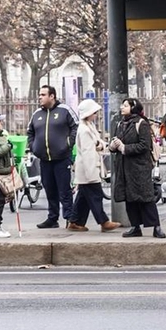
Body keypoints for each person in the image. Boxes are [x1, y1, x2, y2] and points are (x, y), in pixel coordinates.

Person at [109, 98, 165, 239]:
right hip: (124, 167)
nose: (122, 107)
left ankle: (156, 226)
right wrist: (113, 146)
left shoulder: (141, 123)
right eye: (122, 105)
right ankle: (135, 226)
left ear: (133, 107)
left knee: (146, 197)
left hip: (139, 167)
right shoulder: (121, 124)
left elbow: (144, 145)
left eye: (126, 105)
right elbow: (116, 142)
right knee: (129, 198)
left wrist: (125, 148)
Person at [27, 84, 78, 229]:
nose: (40, 97)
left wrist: (68, 144)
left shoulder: (65, 111)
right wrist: (34, 147)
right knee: (49, 189)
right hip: (44, 159)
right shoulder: (36, 114)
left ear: (52, 96)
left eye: (43, 95)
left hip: (62, 158)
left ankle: (70, 218)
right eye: (40, 94)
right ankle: (52, 218)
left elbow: (76, 126)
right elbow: (29, 132)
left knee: (64, 190)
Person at [70, 99, 120, 233]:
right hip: (88, 169)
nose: (96, 115)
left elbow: (97, 143)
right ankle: (103, 221)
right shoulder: (85, 129)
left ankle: (75, 221)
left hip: (86, 169)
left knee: (84, 198)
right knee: (95, 196)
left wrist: (99, 145)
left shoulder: (87, 126)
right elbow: (88, 153)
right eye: (94, 113)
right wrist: (92, 172)